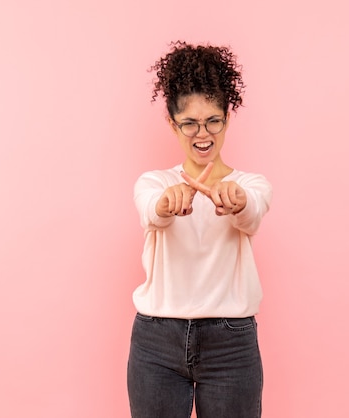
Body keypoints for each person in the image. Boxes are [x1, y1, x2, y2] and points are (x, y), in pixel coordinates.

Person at [127, 40, 273, 418]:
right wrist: (169, 202)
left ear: (227, 116)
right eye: (189, 123)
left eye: (213, 120)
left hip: (231, 342)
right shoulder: (153, 183)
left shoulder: (251, 184)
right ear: (171, 123)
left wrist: (237, 200)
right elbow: (151, 212)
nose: (202, 133)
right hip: (156, 341)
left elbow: (251, 214)